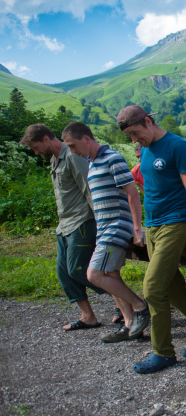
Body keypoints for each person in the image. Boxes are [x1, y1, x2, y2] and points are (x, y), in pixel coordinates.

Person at [118, 105, 186, 374]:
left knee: (152, 288)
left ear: (148, 121)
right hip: (152, 226)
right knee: (173, 288)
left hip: (175, 224)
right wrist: (139, 227)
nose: (134, 140)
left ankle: (163, 353)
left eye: (135, 132)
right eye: (129, 135)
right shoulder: (146, 149)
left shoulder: (177, 145)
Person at [61, 122, 152, 342]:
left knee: (94, 274)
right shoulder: (91, 163)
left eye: (73, 145)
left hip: (117, 224)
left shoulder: (113, 157)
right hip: (103, 226)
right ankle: (129, 325)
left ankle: (140, 306)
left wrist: (137, 228)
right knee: (110, 274)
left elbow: (132, 193)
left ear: (86, 138)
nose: (72, 151)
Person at [20, 124, 105, 331]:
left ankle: (126, 301)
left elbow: (88, 188)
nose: (36, 152)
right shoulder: (54, 160)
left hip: (82, 221)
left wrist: (101, 223)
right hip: (64, 225)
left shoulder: (72, 155)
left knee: (78, 270)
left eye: (36, 146)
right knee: (64, 273)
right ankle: (88, 317)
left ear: (46, 139)